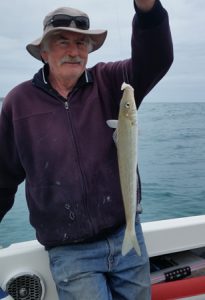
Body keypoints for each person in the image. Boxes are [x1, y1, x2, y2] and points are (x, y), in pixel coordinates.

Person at [0, 0, 173, 299]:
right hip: (69, 252)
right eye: (62, 42)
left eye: (82, 43)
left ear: (89, 50)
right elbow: (2, 176)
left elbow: (155, 59)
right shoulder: (18, 104)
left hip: (125, 235)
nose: (74, 50)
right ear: (43, 51)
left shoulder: (112, 82)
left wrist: (148, 9)